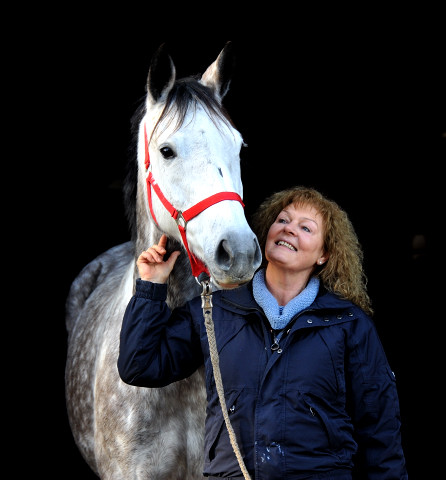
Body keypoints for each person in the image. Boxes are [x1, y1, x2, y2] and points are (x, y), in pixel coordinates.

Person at [118, 186, 408, 479]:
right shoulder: (212, 312)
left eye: (305, 228)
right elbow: (139, 366)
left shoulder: (349, 324)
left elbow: (379, 427)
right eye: (282, 220)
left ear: (324, 255)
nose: (289, 230)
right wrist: (150, 287)